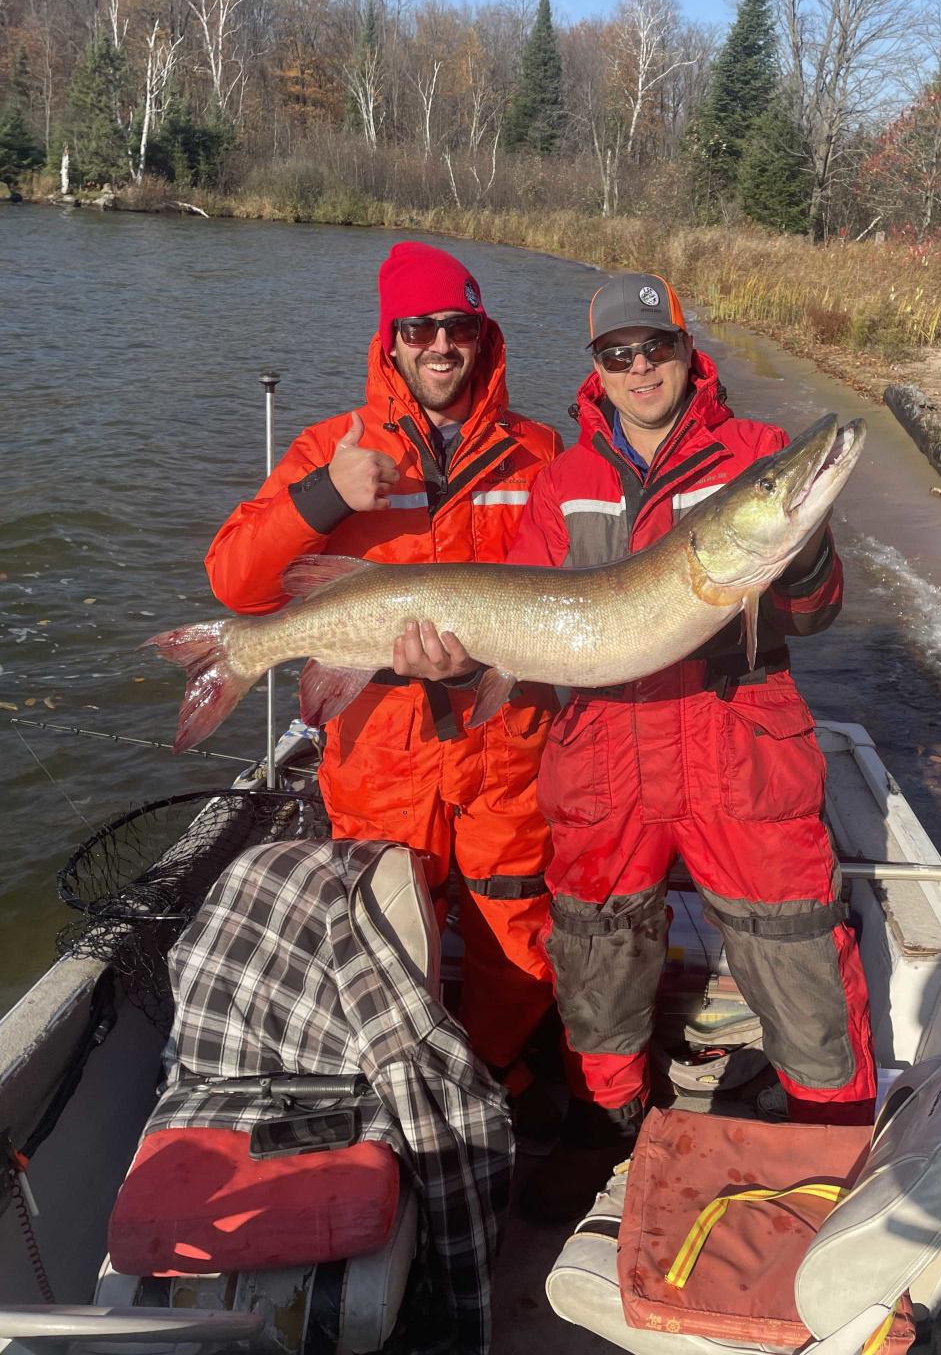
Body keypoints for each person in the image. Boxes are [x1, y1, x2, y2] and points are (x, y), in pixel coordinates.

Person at [505, 271, 877, 1217]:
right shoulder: (564, 481)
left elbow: (814, 610)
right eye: (617, 355)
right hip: (605, 757)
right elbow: (522, 629)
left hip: (735, 746)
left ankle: (831, 1132)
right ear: (596, 368)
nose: (639, 369)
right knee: (596, 944)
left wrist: (807, 546)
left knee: (794, 942)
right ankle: (607, 1123)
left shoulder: (752, 453)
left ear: (685, 348)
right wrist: (458, 657)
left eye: (655, 348)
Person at [205, 240, 563, 1096]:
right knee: (381, 932)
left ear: (483, 335)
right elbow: (235, 580)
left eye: (459, 326)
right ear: (392, 340)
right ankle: (402, 1090)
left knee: (516, 932)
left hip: (502, 742)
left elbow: (568, 592)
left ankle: (497, 1081)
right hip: (378, 744)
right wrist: (323, 497)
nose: (441, 345)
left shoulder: (540, 450)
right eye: (420, 328)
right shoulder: (334, 445)